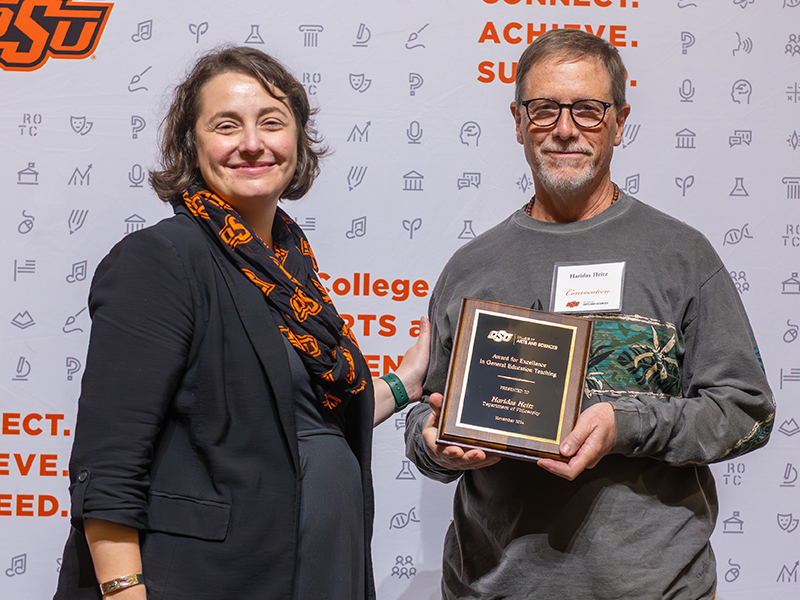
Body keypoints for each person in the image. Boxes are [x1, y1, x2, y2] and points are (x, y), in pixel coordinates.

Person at [405, 29, 774, 600]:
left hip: (655, 588)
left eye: (588, 110)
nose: (565, 128)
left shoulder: (682, 255)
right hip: (493, 588)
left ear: (620, 121)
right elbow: (428, 419)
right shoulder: (471, 267)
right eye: (545, 108)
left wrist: (624, 424)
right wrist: (435, 444)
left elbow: (745, 411)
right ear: (518, 119)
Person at [54, 46, 429, 600]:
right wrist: (123, 590)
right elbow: (109, 463)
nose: (252, 143)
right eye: (226, 125)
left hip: (326, 567)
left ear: (297, 141)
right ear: (192, 144)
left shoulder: (290, 268)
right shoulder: (162, 259)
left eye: (271, 122)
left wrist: (402, 385)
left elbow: (288, 420)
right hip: (214, 577)